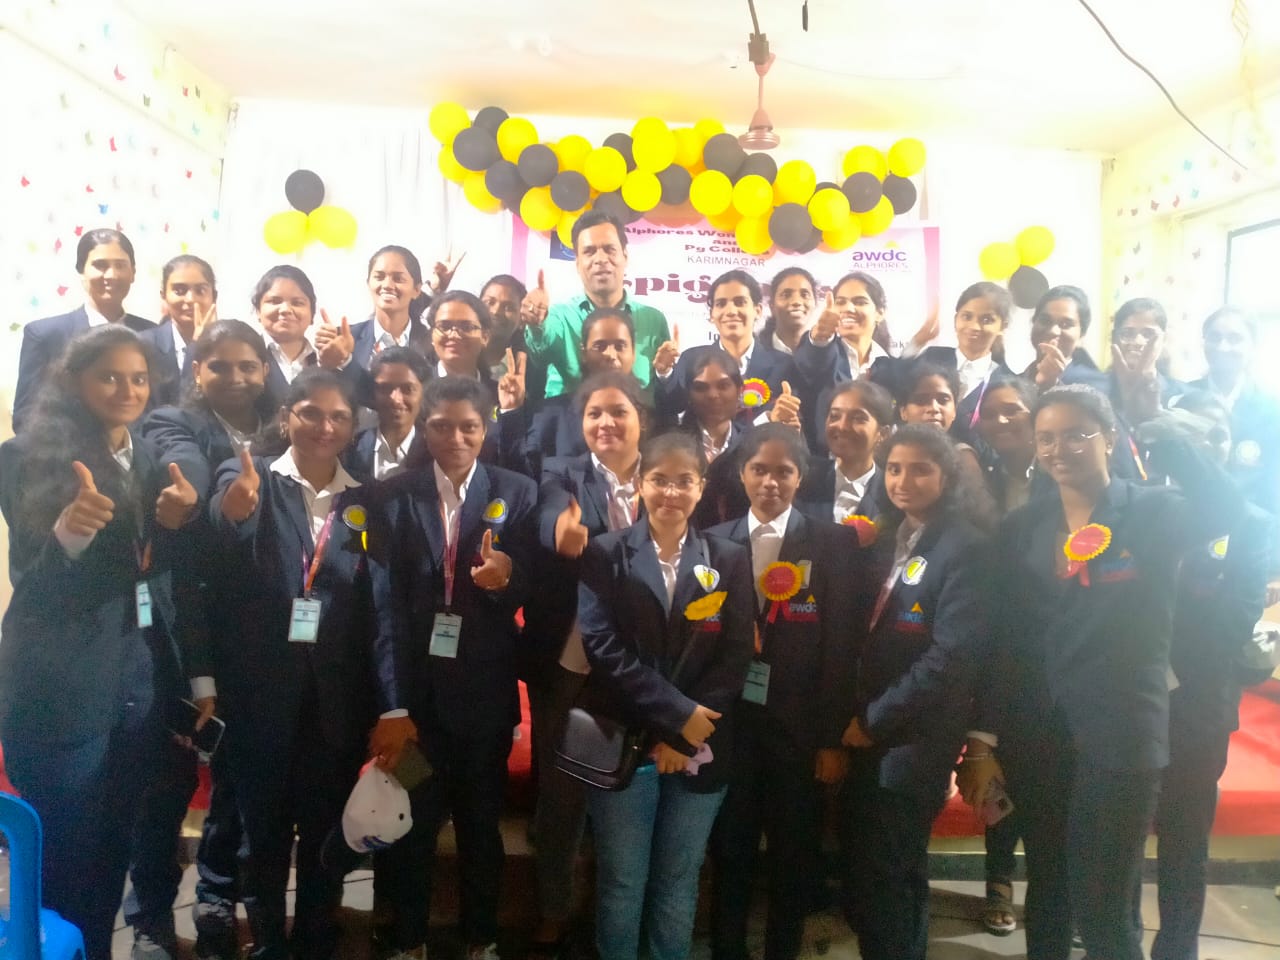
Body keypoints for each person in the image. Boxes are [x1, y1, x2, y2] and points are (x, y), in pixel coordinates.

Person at [961, 384, 1243, 960]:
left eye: (1076, 435)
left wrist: (1170, 441)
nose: (1059, 448)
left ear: (1110, 438)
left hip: (1122, 733)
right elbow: (1009, 638)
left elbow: (1227, 510)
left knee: (1103, 904)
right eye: (1047, 438)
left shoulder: (1154, 510)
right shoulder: (1024, 526)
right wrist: (986, 736)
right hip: (1040, 733)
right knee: (1048, 886)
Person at [0, 325, 201, 960]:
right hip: (58, 688)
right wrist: (69, 534)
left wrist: (177, 523)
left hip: (133, 685)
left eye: (138, 378)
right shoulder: (24, 457)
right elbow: (31, 587)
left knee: (114, 845)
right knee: (61, 855)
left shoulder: (148, 459)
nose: (127, 389)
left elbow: (155, 578)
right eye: (109, 376)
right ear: (75, 380)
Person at [208, 367, 392, 960]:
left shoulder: (366, 500)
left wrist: (388, 704)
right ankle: (268, 943)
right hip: (260, 699)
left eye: (339, 416)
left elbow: (379, 608)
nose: (325, 426)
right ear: (287, 416)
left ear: (353, 426)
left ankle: (315, 936)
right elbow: (221, 544)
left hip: (334, 706)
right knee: (260, 838)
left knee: (323, 835)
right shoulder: (251, 478)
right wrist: (233, 512)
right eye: (311, 412)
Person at [366, 375, 538, 960]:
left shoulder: (516, 492)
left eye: (469, 426)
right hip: (416, 708)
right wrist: (393, 704)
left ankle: (480, 939)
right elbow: (384, 606)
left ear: (485, 429)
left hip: (484, 705)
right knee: (412, 825)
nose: (456, 438)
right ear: (424, 427)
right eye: (441, 426)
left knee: (480, 828)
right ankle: (408, 939)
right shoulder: (393, 495)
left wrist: (506, 579)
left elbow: (532, 586)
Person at [576, 430, 754, 960]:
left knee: (679, 878)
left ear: (701, 486)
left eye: (684, 481)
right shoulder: (606, 552)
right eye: (659, 480)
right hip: (624, 739)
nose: (671, 493)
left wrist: (684, 736)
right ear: (640, 483)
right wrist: (677, 716)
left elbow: (736, 653)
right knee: (622, 878)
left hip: (701, 745)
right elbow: (602, 647)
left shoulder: (728, 556)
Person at [137, 319, 275, 960]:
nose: (236, 377)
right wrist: (192, 498)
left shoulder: (284, 422)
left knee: (239, 773)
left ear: (266, 369)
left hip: (264, 627)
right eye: (220, 365)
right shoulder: (173, 421)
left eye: (248, 365)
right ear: (197, 370)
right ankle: (150, 918)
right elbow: (184, 462)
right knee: (168, 782)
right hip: (190, 625)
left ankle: (219, 896)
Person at [708, 423, 866, 960]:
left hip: (798, 731)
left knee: (792, 853)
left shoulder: (832, 542)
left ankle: (783, 950)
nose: (770, 482)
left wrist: (830, 739)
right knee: (731, 849)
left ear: (801, 477)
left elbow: (841, 646)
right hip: (731, 727)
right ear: (741, 473)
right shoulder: (715, 539)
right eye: (759, 469)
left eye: (784, 471)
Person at [837, 425, 990, 960]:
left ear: (947, 476)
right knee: (874, 866)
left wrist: (873, 720)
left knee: (892, 868)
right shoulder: (888, 536)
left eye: (920, 469)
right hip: (867, 723)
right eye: (894, 468)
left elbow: (950, 658)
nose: (904, 480)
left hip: (914, 734)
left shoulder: (967, 547)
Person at [524, 371, 650, 957]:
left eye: (618, 411)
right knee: (563, 791)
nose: (606, 423)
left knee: (635, 788)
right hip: (574, 662)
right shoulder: (563, 473)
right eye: (594, 413)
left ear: (641, 418)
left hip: (649, 660)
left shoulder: (664, 474)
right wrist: (560, 530)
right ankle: (554, 909)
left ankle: (624, 910)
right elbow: (550, 513)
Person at [1145, 390, 1269, 960]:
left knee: (1184, 838)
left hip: (1198, 707)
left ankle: (1177, 947)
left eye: (1217, 435)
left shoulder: (1250, 524)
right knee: (1121, 834)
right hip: (1132, 701)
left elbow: (1236, 617)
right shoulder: (1143, 509)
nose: (1208, 447)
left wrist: (1165, 657)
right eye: (1194, 436)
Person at [14, 228, 156, 428]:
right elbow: (25, 417)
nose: (111, 275)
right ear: (81, 270)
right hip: (64, 445)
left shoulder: (152, 335)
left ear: (133, 273)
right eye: (100, 265)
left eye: (120, 265)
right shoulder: (45, 335)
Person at [520, 210, 671, 396]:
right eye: (589, 252)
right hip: (570, 413)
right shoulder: (560, 316)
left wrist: (666, 374)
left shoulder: (653, 319)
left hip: (638, 414)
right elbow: (540, 354)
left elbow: (662, 390)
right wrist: (537, 324)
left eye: (609, 249)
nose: (600, 259)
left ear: (625, 256)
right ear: (577, 263)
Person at [1188, 305, 1280, 603]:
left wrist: (1274, 567)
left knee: (1237, 623)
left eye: (1235, 338)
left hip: (1247, 541)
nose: (1223, 346)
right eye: (1214, 337)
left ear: (1253, 346)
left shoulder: (1271, 408)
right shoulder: (1182, 398)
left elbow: (1274, 488)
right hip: (1188, 538)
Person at [655, 270, 797, 428]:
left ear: (758, 311)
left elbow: (786, 421)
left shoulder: (784, 365)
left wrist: (770, 419)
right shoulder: (692, 359)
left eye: (740, 302)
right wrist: (665, 372)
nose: (730, 311)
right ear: (711, 314)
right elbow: (673, 406)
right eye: (721, 304)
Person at [523, 306, 641, 476]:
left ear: (633, 352)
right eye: (600, 346)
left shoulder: (648, 414)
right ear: (583, 352)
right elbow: (527, 474)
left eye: (620, 346)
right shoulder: (550, 416)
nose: (610, 354)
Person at [250, 264, 356, 408]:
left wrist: (342, 360)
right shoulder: (248, 356)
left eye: (297, 303)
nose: (285, 309)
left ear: (312, 315)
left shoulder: (323, 361)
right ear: (258, 311)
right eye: (274, 301)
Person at [796, 379, 893, 527]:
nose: (842, 426)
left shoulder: (890, 494)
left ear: (883, 433)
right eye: (835, 416)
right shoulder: (804, 476)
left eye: (858, 418)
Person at [680, 351, 749, 529]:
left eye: (723, 385)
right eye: (701, 388)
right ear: (688, 394)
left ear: (739, 390)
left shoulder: (753, 445)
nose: (712, 395)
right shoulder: (671, 445)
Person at [140, 255, 219, 408]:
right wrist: (196, 345)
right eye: (179, 291)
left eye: (200, 290)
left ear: (214, 296)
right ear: (164, 295)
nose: (190, 299)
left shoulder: (228, 345)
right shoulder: (144, 345)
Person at [342, 346, 430, 482]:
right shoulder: (348, 451)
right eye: (385, 388)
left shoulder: (434, 453)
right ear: (373, 393)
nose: (396, 399)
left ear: (423, 393)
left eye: (408, 389)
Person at [350, 245, 431, 366]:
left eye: (398, 278)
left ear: (417, 290)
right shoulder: (348, 338)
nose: (387, 285)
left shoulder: (431, 343)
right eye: (379, 277)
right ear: (368, 283)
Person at [1019, 285, 1108, 393]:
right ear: (1033, 322)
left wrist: (1050, 385)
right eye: (1045, 321)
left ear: (1081, 334)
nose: (1053, 331)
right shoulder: (1015, 381)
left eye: (1065, 324)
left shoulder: (1095, 387)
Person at [895, 364, 982, 474]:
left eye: (943, 400)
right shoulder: (887, 454)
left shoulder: (963, 460)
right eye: (921, 400)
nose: (934, 408)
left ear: (954, 411)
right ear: (903, 411)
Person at [760, 266, 817, 355]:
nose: (796, 301)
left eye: (804, 295)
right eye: (786, 295)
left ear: (815, 304)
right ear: (772, 306)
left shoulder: (825, 352)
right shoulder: (753, 352)